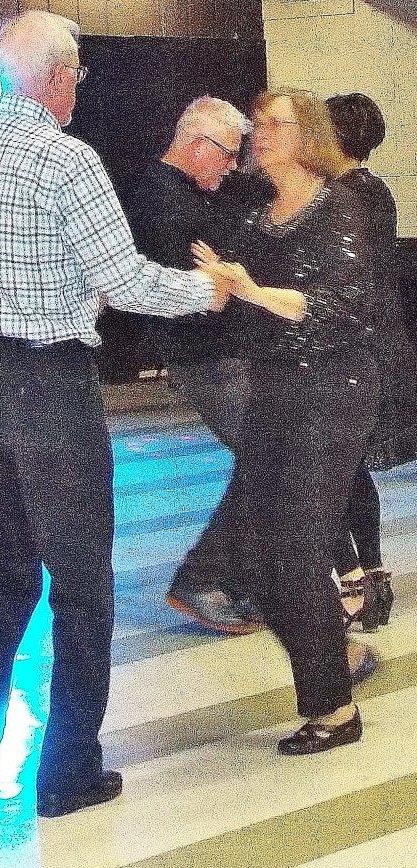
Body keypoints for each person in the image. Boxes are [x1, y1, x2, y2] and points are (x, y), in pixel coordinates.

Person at [0, 11, 230, 817]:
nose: (78, 89)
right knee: (81, 580)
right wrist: (207, 289)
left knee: (2, 566)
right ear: (57, 76)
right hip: (46, 385)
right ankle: (68, 770)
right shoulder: (66, 158)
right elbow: (126, 280)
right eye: (77, 75)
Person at [195, 89, 382, 755]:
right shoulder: (257, 219)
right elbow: (237, 304)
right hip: (274, 395)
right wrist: (219, 289)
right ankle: (337, 657)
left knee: (295, 552)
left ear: (306, 136)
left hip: (332, 395)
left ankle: (333, 706)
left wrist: (250, 290)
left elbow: (336, 306)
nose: (260, 134)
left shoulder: (341, 208)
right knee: (261, 558)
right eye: (258, 125)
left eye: (273, 125)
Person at [127, 97, 263, 635]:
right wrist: (228, 276)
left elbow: (232, 267)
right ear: (196, 143)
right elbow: (202, 290)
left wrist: (230, 271)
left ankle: (231, 577)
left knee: (268, 459)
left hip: (221, 350)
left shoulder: (192, 195)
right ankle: (205, 577)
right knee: (269, 458)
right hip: (206, 354)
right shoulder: (160, 197)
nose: (232, 166)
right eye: (227, 154)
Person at [325, 92, 407, 632]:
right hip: (375, 344)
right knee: (348, 466)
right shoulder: (375, 191)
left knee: (325, 471)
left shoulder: (336, 199)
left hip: (346, 350)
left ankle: (356, 584)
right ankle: (372, 580)